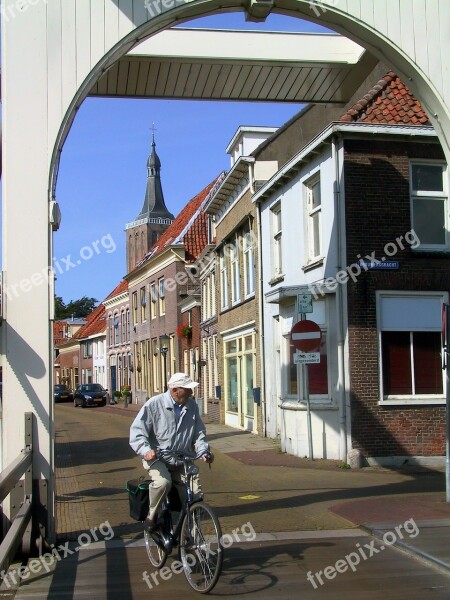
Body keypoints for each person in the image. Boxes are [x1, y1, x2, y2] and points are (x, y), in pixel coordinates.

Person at [129, 372, 213, 529]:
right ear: (175, 390)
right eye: (187, 389)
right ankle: (151, 515)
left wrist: (203, 451)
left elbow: (198, 433)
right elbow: (137, 432)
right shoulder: (154, 404)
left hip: (182, 458)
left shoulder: (192, 406)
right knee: (163, 483)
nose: (191, 392)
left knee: (195, 497)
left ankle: (191, 540)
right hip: (158, 458)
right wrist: (146, 450)